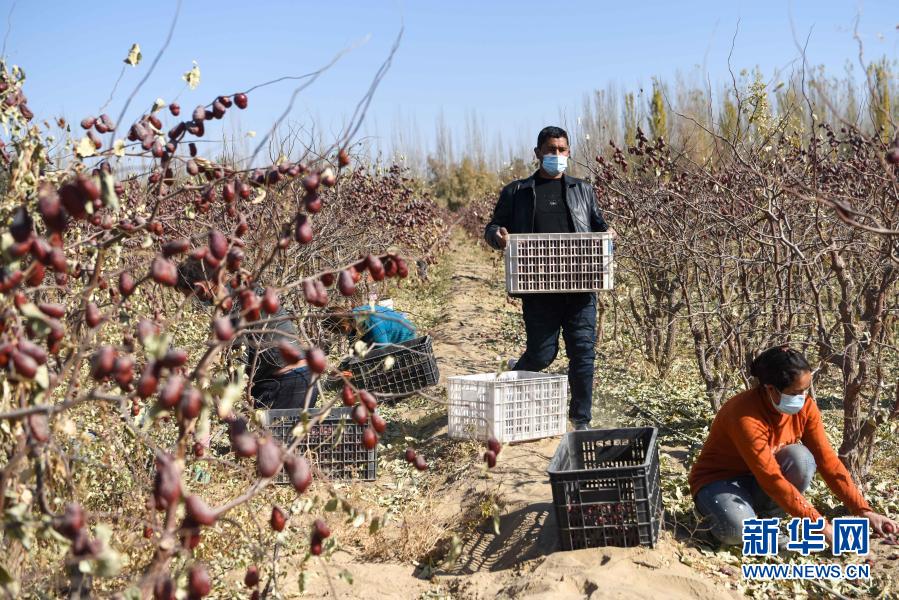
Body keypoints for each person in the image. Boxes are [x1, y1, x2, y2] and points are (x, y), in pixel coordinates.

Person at [689, 345, 898, 547]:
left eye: (806, 390)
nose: (803, 397)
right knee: (737, 531)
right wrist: (822, 526)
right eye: (796, 392)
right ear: (771, 389)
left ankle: (768, 518)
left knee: (802, 459)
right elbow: (771, 478)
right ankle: (711, 515)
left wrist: (862, 510)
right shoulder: (745, 417)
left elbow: (826, 459)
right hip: (720, 481)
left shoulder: (805, 408)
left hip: (759, 479)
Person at [484, 126, 610, 431]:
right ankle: (512, 379)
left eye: (562, 149)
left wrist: (609, 235)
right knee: (542, 354)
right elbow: (493, 227)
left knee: (583, 354)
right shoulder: (517, 192)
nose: (557, 155)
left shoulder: (583, 190)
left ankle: (580, 421)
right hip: (537, 287)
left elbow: (600, 226)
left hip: (580, 287)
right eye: (551, 150)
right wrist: (497, 236)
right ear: (538, 153)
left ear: (569, 152)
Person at [175, 257, 318, 411]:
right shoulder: (243, 293)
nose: (193, 300)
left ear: (200, 288)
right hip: (287, 381)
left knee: (272, 434)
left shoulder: (239, 303)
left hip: (289, 383)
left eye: (190, 295)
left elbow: (239, 361)